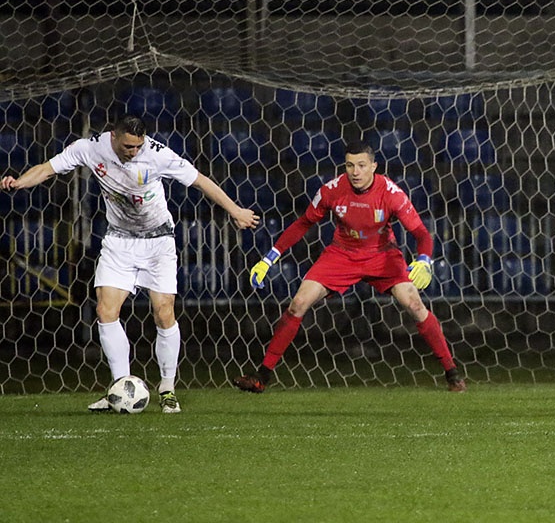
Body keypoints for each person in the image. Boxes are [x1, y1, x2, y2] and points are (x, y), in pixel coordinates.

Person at [0, 115, 260, 413]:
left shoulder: (158, 154)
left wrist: (236, 210)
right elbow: (48, 168)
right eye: (128, 146)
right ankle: (121, 387)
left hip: (158, 242)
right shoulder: (91, 148)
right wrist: (19, 183)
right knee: (105, 310)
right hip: (118, 241)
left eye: (138, 146)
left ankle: (167, 388)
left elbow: (200, 181)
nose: (133, 151)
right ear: (114, 136)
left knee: (163, 312)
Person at [233, 139, 466, 393]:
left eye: (362, 165)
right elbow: (303, 223)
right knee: (298, 303)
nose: (355, 172)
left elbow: (421, 233)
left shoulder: (391, 193)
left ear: (374, 166)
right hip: (342, 254)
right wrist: (270, 257)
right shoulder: (332, 190)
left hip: (382, 255)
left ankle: (452, 374)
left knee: (414, 304)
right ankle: (261, 377)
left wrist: (424, 259)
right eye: (350, 165)